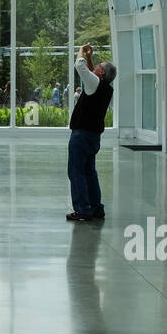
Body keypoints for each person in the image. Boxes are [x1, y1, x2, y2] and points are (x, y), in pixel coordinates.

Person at [66, 45, 116, 222]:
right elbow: (90, 73)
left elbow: (80, 66)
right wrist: (90, 57)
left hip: (81, 135)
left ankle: (82, 210)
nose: (94, 67)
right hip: (93, 137)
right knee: (89, 172)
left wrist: (81, 51)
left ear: (101, 73)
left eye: (98, 67)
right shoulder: (106, 88)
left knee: (76, 172)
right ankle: (96, 208)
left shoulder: (94, 82)